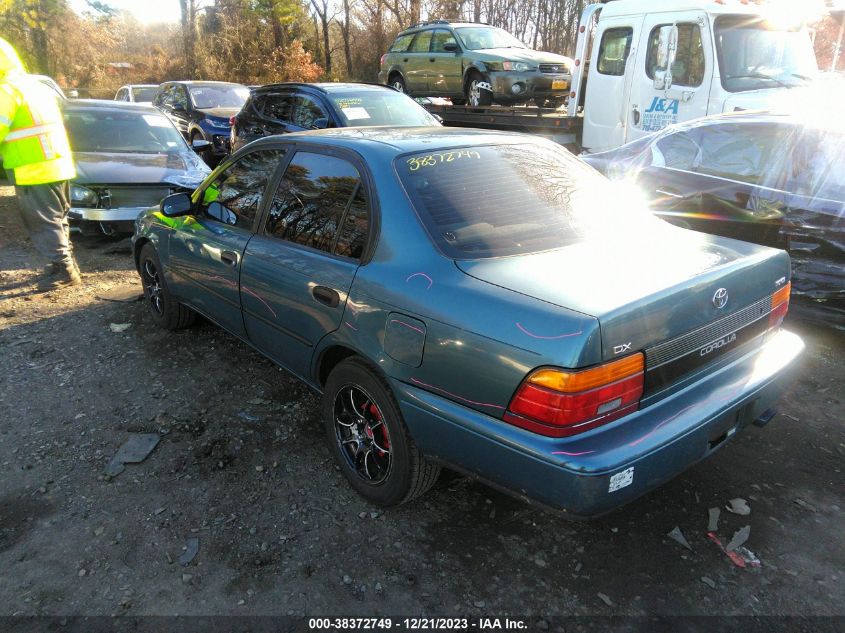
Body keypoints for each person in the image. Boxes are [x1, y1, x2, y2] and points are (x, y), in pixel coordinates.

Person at [0, 37, 80, 289]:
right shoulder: (33, 86)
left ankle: (65, 271)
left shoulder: (6, 90)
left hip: (33, 169)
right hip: (58, 165)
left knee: (43, 222)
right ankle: (64, 265)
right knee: (57, 219)